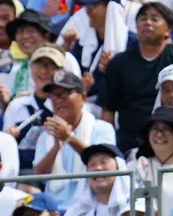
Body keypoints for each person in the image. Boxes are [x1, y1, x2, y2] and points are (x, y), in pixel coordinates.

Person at [100, 3, 173, 154]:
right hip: (129, 141)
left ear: (168, 29)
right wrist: (109, 149)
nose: (147, 23)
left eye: (154, 19)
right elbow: (108, 110)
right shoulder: (119, 63)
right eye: (143, 19)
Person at [32, 71, 116, 204]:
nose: (58, 100)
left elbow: (102, 165)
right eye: (54, 95)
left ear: (83, 97)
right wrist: (55, 148)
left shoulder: (102, 129)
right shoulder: (46, 135)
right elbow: (40, 175)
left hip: (91, 205)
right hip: (55, 208)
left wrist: (68, 138)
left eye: (64, 93)